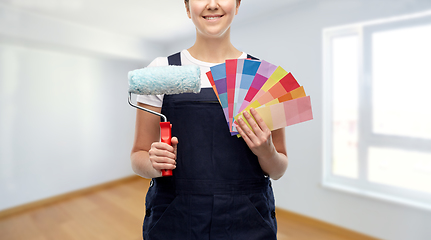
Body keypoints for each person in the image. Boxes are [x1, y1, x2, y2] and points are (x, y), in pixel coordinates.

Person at [130, 0, 288, 239]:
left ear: (237, 5)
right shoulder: (162, 70)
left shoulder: (263, 76)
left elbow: (278, 170)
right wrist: (154, 163)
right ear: (187, 7)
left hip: (247, 218)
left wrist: (266, 152)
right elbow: (137, 156)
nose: (212, 4)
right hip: (175, 217)